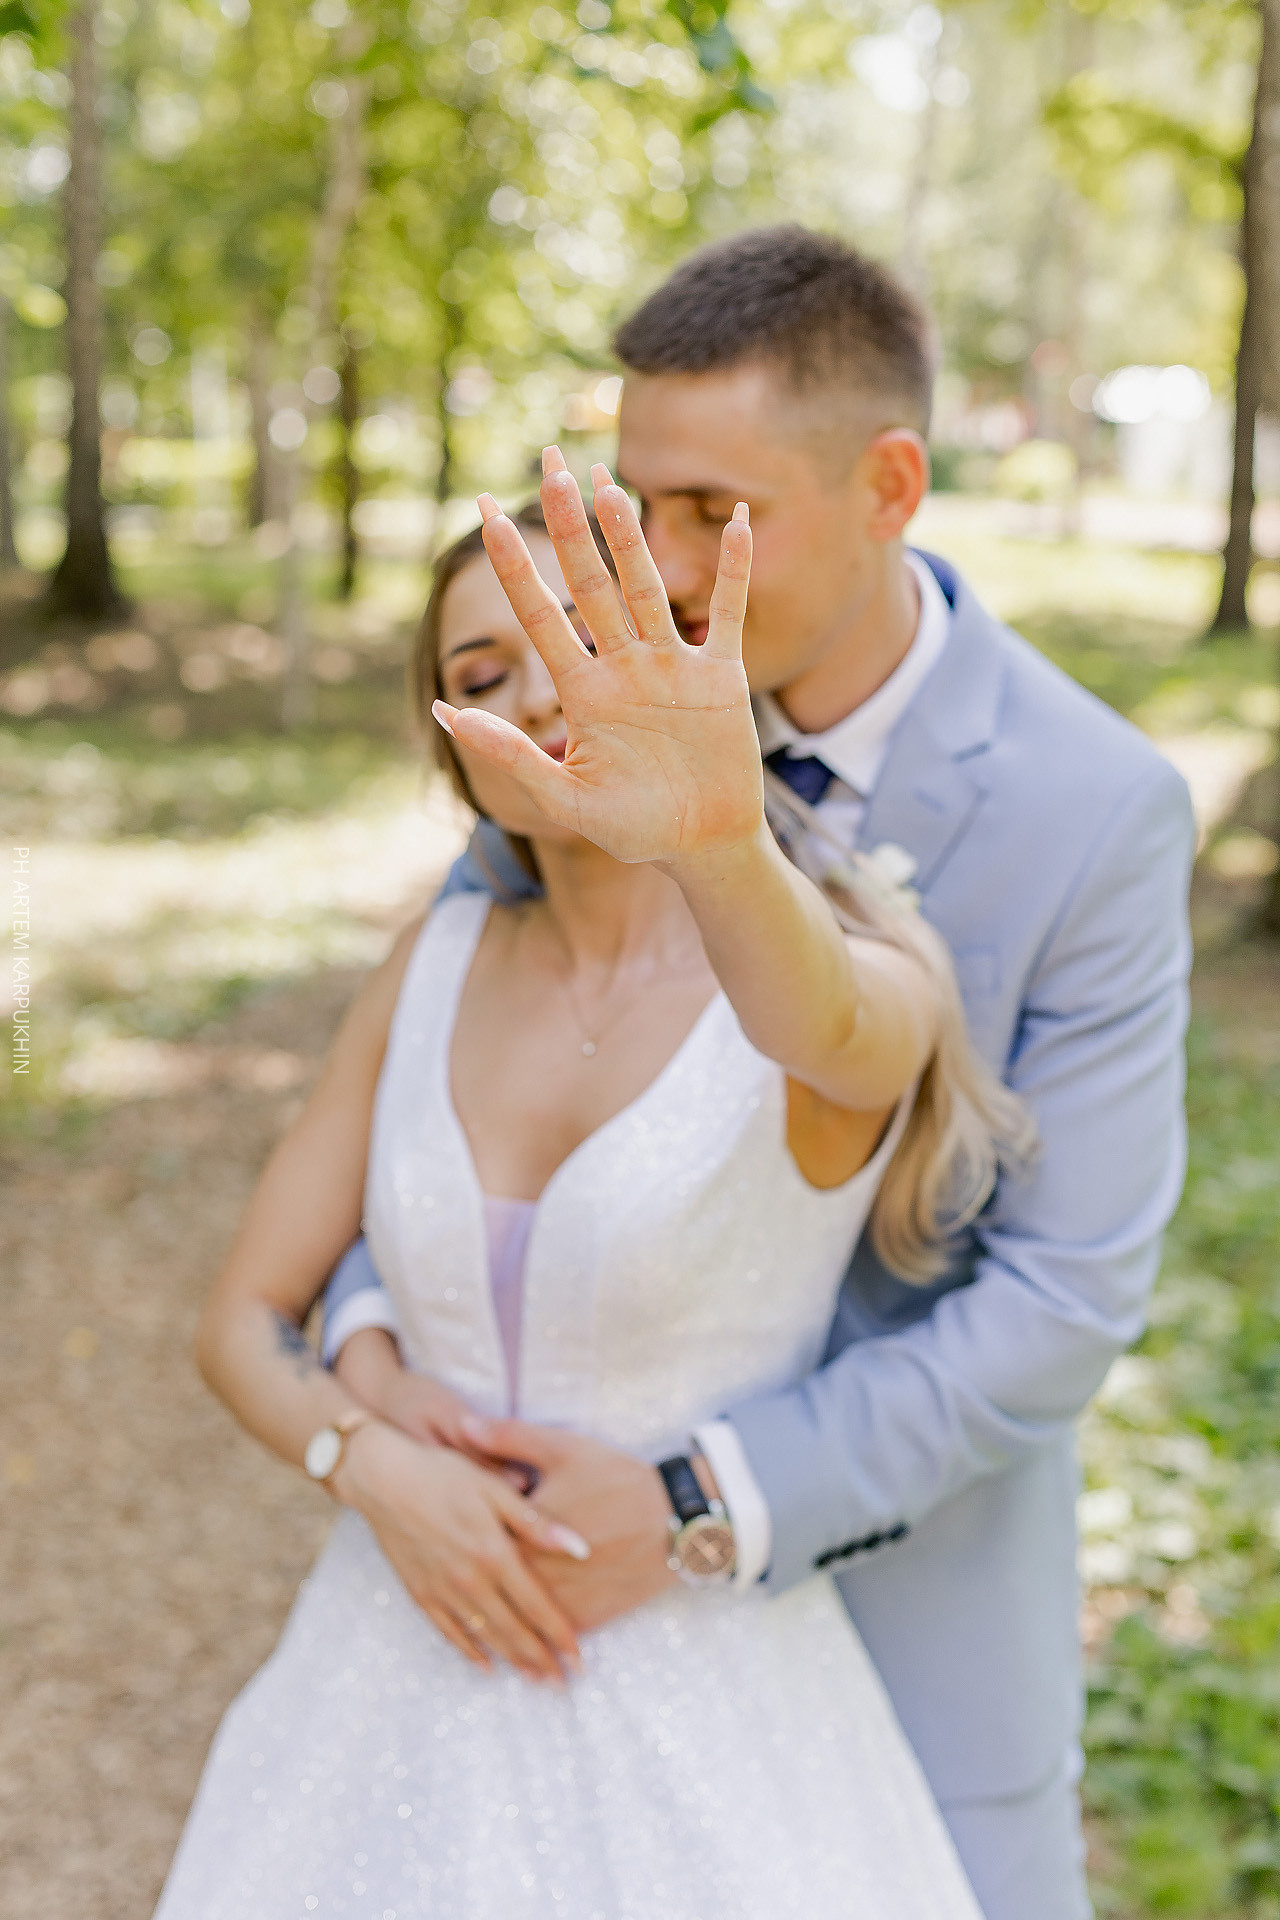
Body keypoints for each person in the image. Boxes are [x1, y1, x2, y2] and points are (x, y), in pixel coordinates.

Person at [322, 226, 1196, 1920]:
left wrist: (698, 1500)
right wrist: (370, 1337)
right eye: (637, 501)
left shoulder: (1097, 809)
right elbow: (462, 1069)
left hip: (903, 1618)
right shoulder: (590, 709)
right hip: (546, 1621)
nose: (649, 567)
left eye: (714, 514)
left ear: (889, 485)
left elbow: (1066, 1299)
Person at [155, 453, 1023, 1917]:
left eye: (580, 635)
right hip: (383, 1661)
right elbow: (242, 1318)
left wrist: (711, 837)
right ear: (455, 756)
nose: (542, 691)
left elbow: (836, 1035)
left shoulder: (855, 975)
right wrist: (363, 1462)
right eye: (486, 671)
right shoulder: (425, 970)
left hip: (712, 1707)